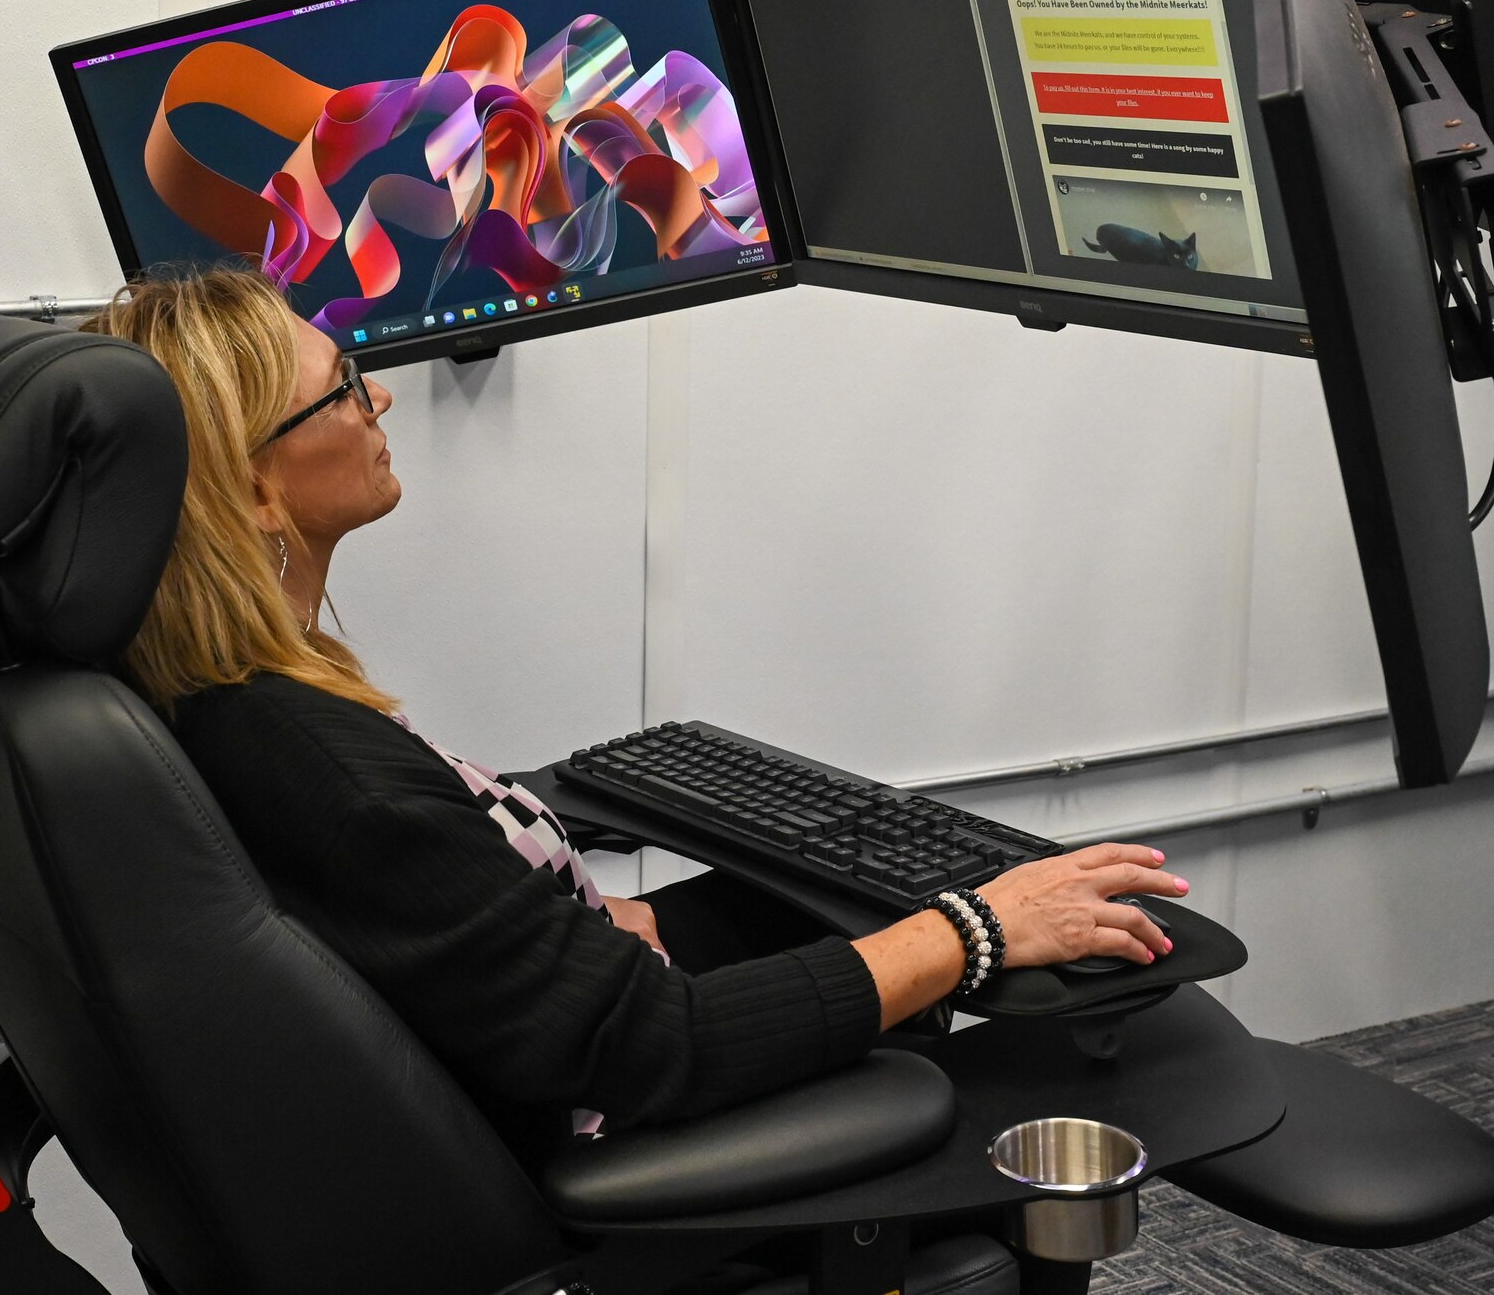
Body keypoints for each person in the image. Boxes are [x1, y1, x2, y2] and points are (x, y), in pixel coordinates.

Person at [83, 267, 1187, 1158]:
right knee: (996, 992)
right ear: (253, 490)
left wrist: (571, 918)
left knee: (826, 903)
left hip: (551, 1027)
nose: (377, 400)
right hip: (606, 1121)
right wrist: (973, 929)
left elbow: (454, 930)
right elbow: (652, 1044)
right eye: (342, 385)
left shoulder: (210, 690)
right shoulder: (330, 773)